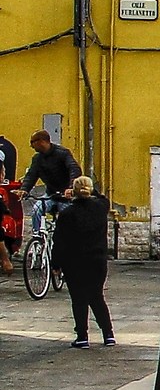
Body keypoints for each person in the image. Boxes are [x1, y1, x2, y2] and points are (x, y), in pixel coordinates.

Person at [53, 176, 114, 348]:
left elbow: (60, 241)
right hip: (98, 260)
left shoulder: (67, 214)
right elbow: (103, 198)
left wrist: (55, 264)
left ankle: (82, 336)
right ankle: (108, 334)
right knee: (97, 296)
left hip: (75, 261)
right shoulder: (101, 208)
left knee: (79, 298)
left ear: (74, 192)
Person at [22, 130, 76, 240]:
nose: (31, 145)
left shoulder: (63, 153)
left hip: (64, 195)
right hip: (50, 193)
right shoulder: (37, 159)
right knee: (37, 209)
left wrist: (70, 188)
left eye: (33, 142)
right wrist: (24, 189)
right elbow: (31, 175)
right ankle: (37, 237)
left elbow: (74, 169)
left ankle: (67, 241)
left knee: (67, 217)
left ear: (42, 141)